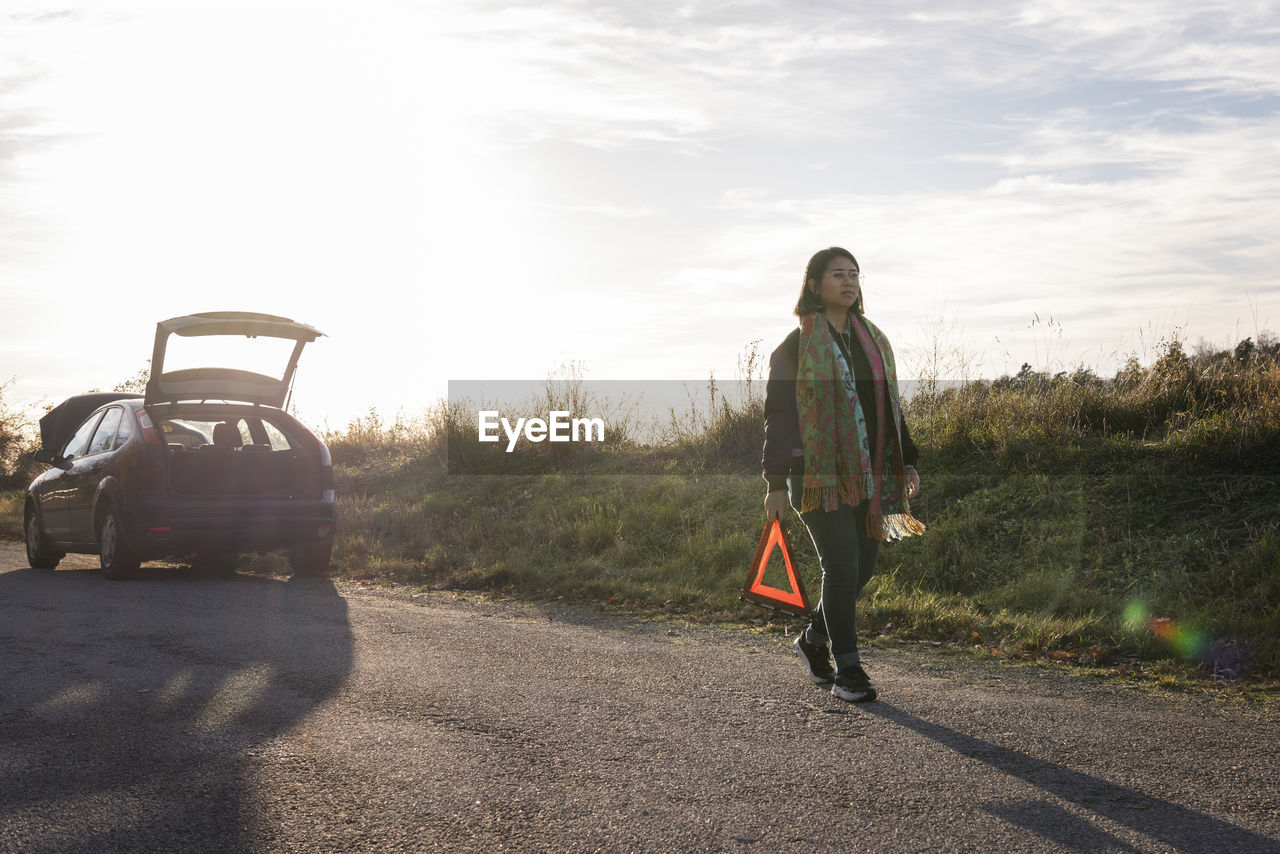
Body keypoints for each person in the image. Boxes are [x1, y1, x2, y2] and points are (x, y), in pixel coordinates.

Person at [761, 246, 925, 703]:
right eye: (838, 275)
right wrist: (774, 481)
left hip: (871, 475)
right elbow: (779, 416)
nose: (849, 282)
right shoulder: (793, 349)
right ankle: (848, 672)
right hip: (814, 478)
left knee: (862, 570)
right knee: (841, 566)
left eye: (855, 275)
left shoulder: (873, 341)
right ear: (814, 285)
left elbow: (891, 407)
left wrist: (906, 459)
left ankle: (813, 640)